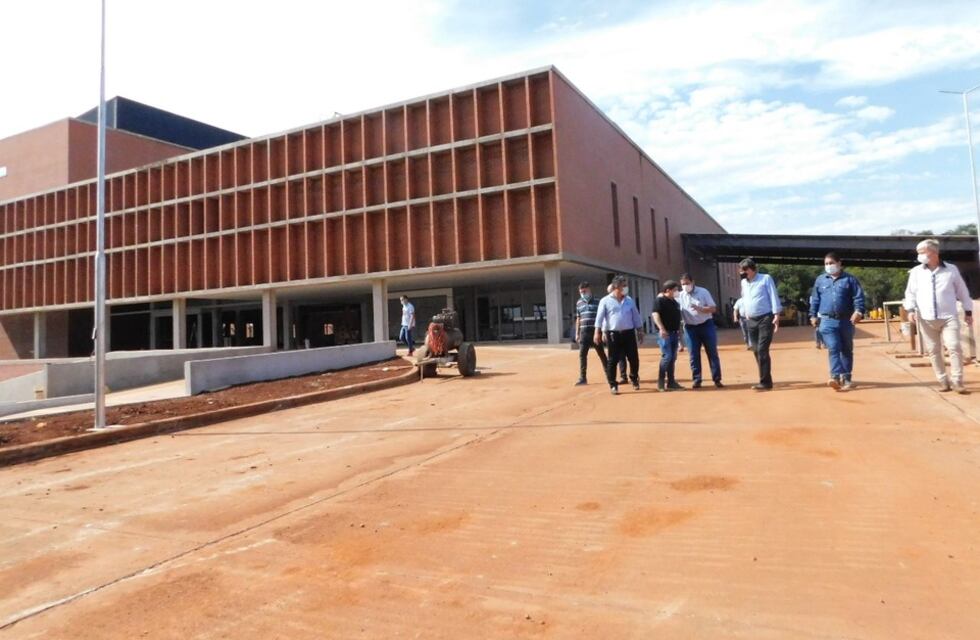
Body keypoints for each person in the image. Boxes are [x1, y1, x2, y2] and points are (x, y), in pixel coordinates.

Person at [903, 238, 974, 394]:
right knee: (934, 351)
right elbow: (910, 293)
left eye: (922, 252)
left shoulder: (951, 270)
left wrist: (968, 311)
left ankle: (957, 381)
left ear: (934, 253)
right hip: (925, 319)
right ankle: (943, 381)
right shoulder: (916, 272)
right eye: (918, 253)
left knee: (954, 347)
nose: (919, 256)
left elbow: (962, 291)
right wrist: (910, 310)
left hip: (949, 317)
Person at [809, 252, 866, 392]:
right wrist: (812, 315)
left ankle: (846, 378)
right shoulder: (820, 280)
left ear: (839, 263)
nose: (829, 266)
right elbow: (815, 299)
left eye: (831, 263)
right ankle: (835, 377)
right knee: (834, 347)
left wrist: (858, 311)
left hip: (846, 320)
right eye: (826, 264)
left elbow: (858, 297)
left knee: (846, 349)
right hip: (827, 320)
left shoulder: (850, 280)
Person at [594, 275, 644, 395]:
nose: (626, 288)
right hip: (613, 335)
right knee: (613, 360)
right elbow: (599, 318)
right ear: (616, 287)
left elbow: (636, 316)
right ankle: (613, 384)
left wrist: (640, 330)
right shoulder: (605, 301)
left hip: (629, 333)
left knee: (633, 358)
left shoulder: (629, 300)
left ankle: (634, 378)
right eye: (624, 286)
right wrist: (597, 332)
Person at [739, 258, 782, 390]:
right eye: (741, 271)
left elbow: (773, 295)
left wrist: (776, 315)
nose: (742, 273)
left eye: (745, 270)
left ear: (752, 269)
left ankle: (765, 382)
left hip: (765, 318)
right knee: (756, 350)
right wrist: (745, 312)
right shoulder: (744, 283)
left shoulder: (765, 279)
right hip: (750, 320)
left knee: (763, 349)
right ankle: (765, 378)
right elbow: (744, 298)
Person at [678, 273, 723, 388]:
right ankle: (697, 379)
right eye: (683, 284)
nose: (685, 286)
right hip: (690, 328)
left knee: (712, 352)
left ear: (693, 282)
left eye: (687, 283)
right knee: (693, 354)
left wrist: (701, 309)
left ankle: (717, 379)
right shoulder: (680, 296)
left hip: (706, 325)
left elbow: (713, 308)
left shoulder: (703, 292)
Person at [573, 281, 608, 386]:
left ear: (589, 289)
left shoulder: (598, 301)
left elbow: (602, 316)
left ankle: (608, 375)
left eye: (584, 291)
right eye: (581, 292)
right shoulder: (579, 303)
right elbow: (578, 318)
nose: (583, 293)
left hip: (595, 332)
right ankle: (583, 378)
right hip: (584, 332)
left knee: (601, 354)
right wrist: (577, 333)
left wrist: (603, 331)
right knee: (582, 355)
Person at [652, 281, 684, 392]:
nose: (677, 292)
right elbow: (655, 315)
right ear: (668, 290)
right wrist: (661, 328)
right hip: (665, 333)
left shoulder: (675, 303)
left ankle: (671, 382)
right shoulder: (660, 301)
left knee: (673, 357)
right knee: (667, 356)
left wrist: (680, 339)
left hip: (674, 333)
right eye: (675, 289)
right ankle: (661, 381)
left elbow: (678, 321)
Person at [605, 282, 628, 384]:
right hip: (611, 333)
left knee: (623, 355)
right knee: (613, 357)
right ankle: (612, 378)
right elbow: (603, 319)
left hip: (624, 332)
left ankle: (624, 376)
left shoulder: (627, 300)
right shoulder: (605, 302)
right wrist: (603, 332)